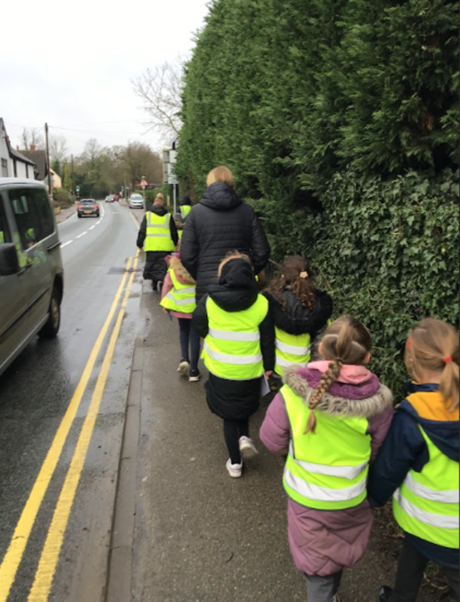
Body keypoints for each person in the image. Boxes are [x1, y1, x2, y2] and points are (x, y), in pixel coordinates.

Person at [260, 316, 394, 602]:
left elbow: (272, 441)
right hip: (351, 497)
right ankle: (332, 590)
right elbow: (377, 450)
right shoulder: (378, 405)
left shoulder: (292, 394)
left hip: (306, 498)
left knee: (317, 570)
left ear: (320, 348)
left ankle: (325, 593)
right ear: (367, 357)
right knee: (337, 549)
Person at [368, 318, 459, 602]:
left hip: (425, 521)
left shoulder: (413, 415)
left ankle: (402, 596)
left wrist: (372, 498)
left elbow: (389, 469)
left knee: (414, 552)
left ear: (411, 359)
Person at [192, 251, 275, 478]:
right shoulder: (262, 303)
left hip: (221, 369)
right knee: (244, 407)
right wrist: (269, 367)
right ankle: (244, 437)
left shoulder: (210, 300)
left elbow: (198, 324)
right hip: (250, 370)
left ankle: (235, 464)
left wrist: (212, 337)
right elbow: (268, 340)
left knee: (229, 416)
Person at [181, 166, 270, 301]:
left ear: (209, 183)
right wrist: (247, 271)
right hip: (242, 287)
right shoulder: (247, 211)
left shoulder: (195, 213)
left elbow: (187, 256)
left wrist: (201, 274)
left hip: (208, 287)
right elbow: (262, 251)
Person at [266, 255, 333, 382]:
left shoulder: (274, 301)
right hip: (310, 369)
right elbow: (324, 337)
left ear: (283, 276)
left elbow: (267, 336)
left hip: (280, 367)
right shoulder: (321, 304)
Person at [160, 254, 201, 382]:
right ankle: (193, 371)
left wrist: (165, 304)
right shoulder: (199, 269)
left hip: (180, 308)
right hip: (196, 309)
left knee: (183, 331)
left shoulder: (172, 272)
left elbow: (166, 287)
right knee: (195, 337)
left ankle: (184, 358)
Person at [137, 195, 178, 291]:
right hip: (166, 247)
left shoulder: (148, 216)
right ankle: (163, 283)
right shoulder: (168, 216)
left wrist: (139, 243)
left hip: (151, 247)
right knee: (164, 267)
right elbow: (173, 232)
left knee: (153, 266)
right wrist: (175, 243)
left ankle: (154, 283)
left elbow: (142, 231)